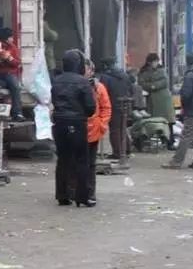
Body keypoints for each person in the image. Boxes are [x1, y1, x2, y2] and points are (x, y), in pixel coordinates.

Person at [50, 50, 97, 207]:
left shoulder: (56, 81)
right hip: (77, 122)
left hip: (59, 123)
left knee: (63, 159)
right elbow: (91, 107)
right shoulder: (83, 82)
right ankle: (82, 196)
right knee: (81, 160)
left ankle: (62, 195)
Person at [164, 53, 193, 170]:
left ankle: (176, 161)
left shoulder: (190, 76)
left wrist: (185, 107)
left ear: (188, 62)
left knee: (186, 137)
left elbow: (185, 95)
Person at [85, 59, 112, 205]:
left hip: (93, 129)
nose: (84, 72)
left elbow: (106, 108)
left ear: (91, 71)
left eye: (87, 69)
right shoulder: (77, 85)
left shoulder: (99, 87)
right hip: (77, 130)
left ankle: (90, 194)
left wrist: (101, 124)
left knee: (90, 164)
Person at [0, 27, 24, 121]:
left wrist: (9, 58)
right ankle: (6, 86)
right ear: (6, 38)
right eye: (11, 37)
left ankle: (17, 113)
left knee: (15, 86)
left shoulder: (13, 47)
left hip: (9, 73)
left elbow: (17, 63)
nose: (12, 39)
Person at [98, 58, 133, 162]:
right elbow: (131, 90)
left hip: (112, 104)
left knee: (114, 129)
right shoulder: (125, 75)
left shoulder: (105, 77)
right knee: (123, 128)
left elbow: (102, 92)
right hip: (125, 103)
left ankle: (117, 152)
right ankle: (126, 150)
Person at [138, 53, 176, 151]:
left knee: (169, 122)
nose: (156, 63)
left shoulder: (162, 70)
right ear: (149, 62)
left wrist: (152, 85)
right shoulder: (144, 72)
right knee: (156, 122)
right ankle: (161, 141)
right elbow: (142, 83)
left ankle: (170, 142)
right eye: (154, 61)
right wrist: (153, 85)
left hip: (165, 100)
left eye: (157, 61)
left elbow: (164, 82)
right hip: (153, 100)